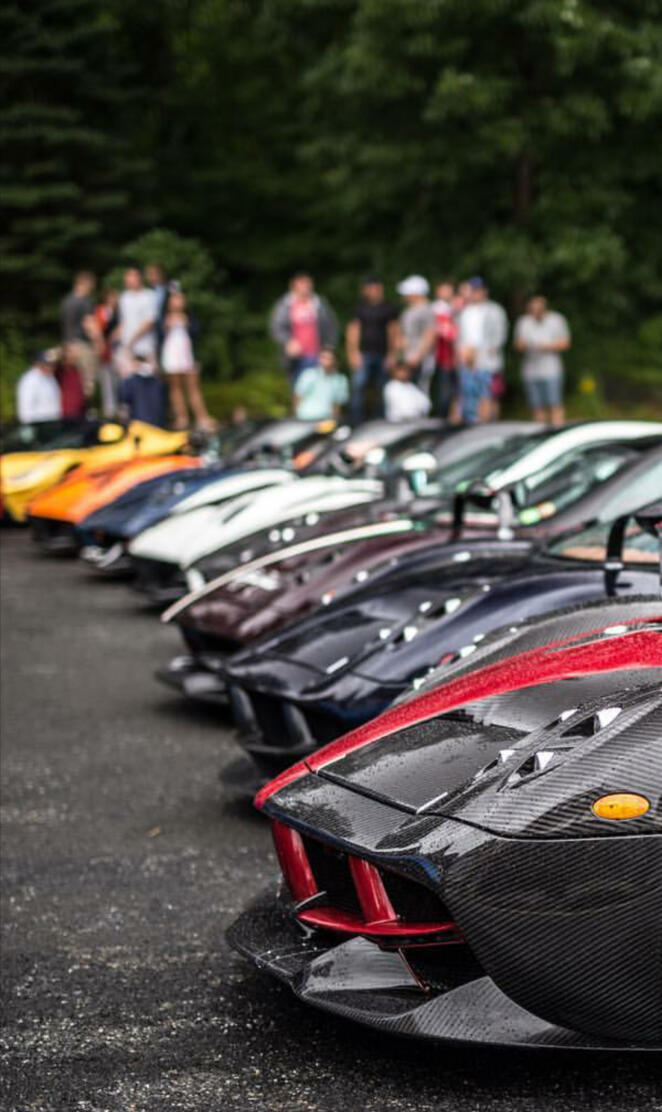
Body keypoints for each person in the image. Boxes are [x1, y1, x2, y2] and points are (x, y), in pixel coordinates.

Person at [345, 276, 399, 424]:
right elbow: (353, 330)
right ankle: (356, 421)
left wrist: (392, 353)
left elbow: (393, 331)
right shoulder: (360, 308)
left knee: (383, 388)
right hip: (364, 353)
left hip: (382, 353)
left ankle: (380, 420)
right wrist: (353, 352)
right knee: (358, 386)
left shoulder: (388, 308)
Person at [269, 273, 338, 384]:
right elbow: (276, 328)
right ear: (293, 286)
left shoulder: (320, 304)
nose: (305, 286)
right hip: (294, 358)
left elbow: (331, 327)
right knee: (296, 388)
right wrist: (288, 342)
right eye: (301, 284)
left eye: (308, 283)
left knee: (318, 387)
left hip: (318, 355)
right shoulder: (284, 305)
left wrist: (329, 348)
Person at [456, 277, 508, 423]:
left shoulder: (494, 310)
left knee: (490, 394)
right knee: (470, 394)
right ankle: (473, 423)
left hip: (487, 359)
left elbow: (500, 334)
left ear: (485, 291)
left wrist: (490, 349)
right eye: (473, 290)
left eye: (478, 290)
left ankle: (491, 424)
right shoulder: (465, 311)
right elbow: (461, 336)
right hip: (468, 360)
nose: (475, 294)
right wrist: (463, 353)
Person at [161, 288, 214, 430]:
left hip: (187, 354)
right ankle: (182, 417)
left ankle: (201, 417)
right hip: (172, 354)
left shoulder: (189, 316)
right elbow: (160, 336)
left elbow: (196, 334)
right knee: (175, 387)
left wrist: (187, 324)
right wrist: (166, 326)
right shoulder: (164, 318)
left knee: (193, 387)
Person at [514, 295, 571, 425]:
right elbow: (518, 344)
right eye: (532, 309)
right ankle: (541, 433)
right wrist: (525, 345)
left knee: (555, 404)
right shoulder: (524, 322)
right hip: (531, 370)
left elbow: (566, 343)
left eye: (538, 309)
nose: (535, 312)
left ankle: (558, 430)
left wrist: (547, 346)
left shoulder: (557, 319)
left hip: (551, 370)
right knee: (536, 407)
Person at [60, 271, 99, 399]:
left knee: (73, 381)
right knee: (88, 383)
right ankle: (86, 413)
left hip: (69, 346)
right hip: (83, 346)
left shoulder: (66, 302)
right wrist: (98, 341)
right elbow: (89, 323)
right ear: (86, 284)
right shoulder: (85, 302)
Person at [396, 276, 436, 395]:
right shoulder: (409, 310)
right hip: (408, 357)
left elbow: (430, 333)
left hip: (420, 359)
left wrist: (419, 355)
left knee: (420, 389)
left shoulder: (426, 310)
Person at [115, 267, 158, 376]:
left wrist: (132, 339)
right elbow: (124, 321)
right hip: (126, 348)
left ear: (139, 278)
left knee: (147, 380)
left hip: (145, 347)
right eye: (127, 277)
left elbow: (149, 321)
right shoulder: (124, 297)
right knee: (128, 381)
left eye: (132, 276)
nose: (129, 280)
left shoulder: (149, 295)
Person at [293, 348, 348, 421]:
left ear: (335, 361)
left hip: (326, 420)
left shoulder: (341, 380)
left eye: (329, 358)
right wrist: (295, 417)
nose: (325, 361)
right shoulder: (309, 374)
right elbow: (297, 397)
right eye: (323, 357)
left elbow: (337, 405)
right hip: (305, 417)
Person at [431, 280, 459, 419]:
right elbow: (447, 334)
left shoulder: (454, 308)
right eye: (444, 289)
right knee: (444, 394)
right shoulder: (437, 309)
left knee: (456, 393)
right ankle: (442, 421)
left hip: (456, 359)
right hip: (443, 358)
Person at [117, 354, 167, 428]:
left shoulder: (130, 381)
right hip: (159, 425)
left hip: (140, 426)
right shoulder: (158, 380)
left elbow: (123, 397)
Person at [16, 349, 62, 423]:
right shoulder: (30, 380)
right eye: (48, 364)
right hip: (39, 427)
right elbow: (25, 412)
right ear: (38, 364)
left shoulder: (51, 378)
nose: (52, 367)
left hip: (52, 424)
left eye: (53, 364)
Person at [94, 288, 119, 417]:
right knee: (107, 383)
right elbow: (99, 329)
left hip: (118, 351)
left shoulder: (119, 312)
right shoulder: (101, 311)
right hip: (106, 352)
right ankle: (110, 412)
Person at [56, 345, 86, 418]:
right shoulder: (59, 371)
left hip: (78, 412)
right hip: (65, 414)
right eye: (71, 353)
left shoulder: (76, 370)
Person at [144, 262, 168, 352]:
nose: (151, 277)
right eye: (149, 274)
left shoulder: (169, 289)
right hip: (151, 328)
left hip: (165, 326)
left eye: (154, 274)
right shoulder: (146, 291)